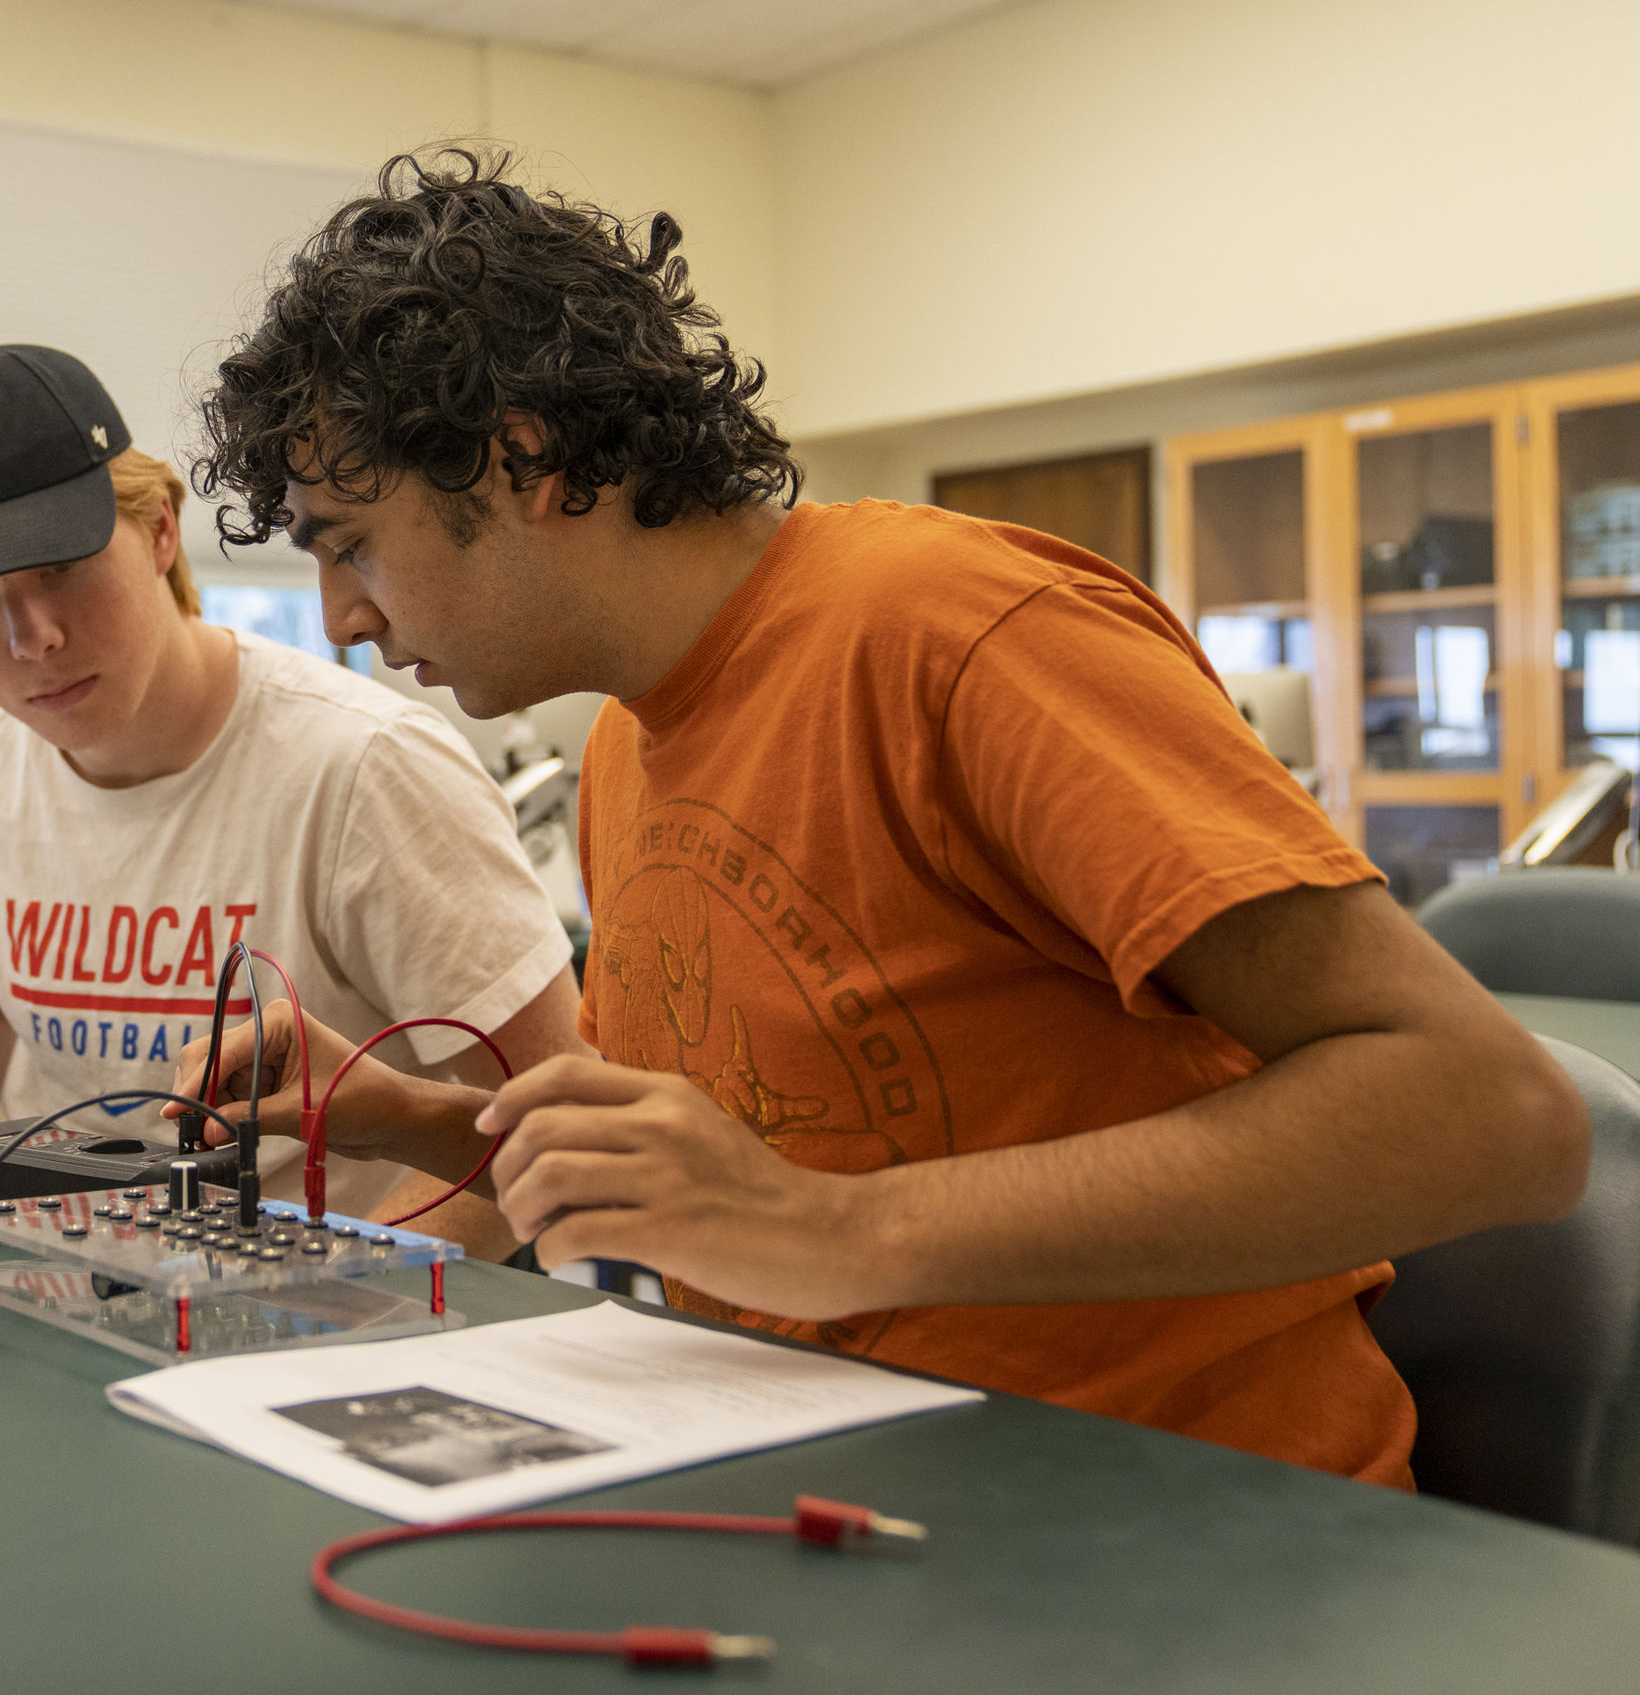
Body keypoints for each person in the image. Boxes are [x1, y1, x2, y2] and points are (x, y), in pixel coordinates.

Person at [173, 150, 1591, 1484]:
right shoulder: (625, 746)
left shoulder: (957, 637)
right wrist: (400, 1113)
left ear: (524, 455)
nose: (343, 621)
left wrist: (838, 1234)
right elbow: (730, 1175)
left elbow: (1496, 1113)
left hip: (1184, 1529)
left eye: (351, 544)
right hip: (837, 1489)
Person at [0, 343, 579, 1244]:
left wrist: (349, 1298)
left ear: (161, 530)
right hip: (49, 1282)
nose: (33, 637)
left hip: (324, 1318)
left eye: (60, 568)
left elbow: (551, 1118)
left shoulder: (364, 768)